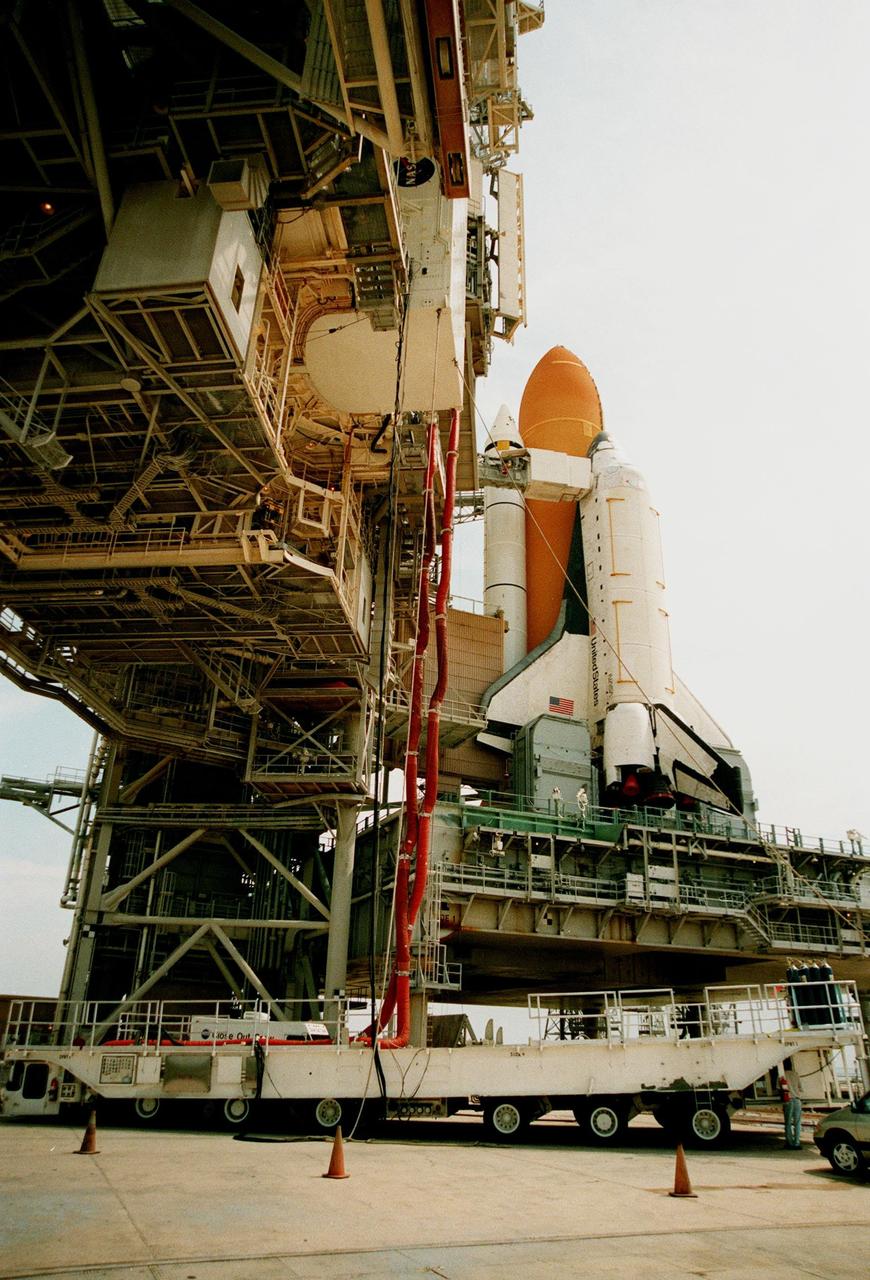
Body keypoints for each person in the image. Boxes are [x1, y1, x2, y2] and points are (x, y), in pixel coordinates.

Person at [778, 1059, 802, 1149]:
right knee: (797, 1123)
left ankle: (789, 1142)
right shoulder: (795, 1074)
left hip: (788, 1100)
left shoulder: (781, 1075)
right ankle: (797, 1143)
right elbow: (800, 1088)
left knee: (788, 1123)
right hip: (797, 1100)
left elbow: (779, 1088)